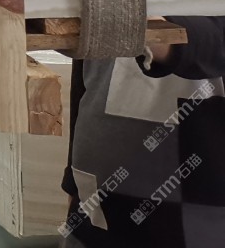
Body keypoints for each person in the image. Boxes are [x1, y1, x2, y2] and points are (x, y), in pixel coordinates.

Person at [61, 16, 225, 247]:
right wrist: (71, 183)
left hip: (201, 213)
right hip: (95, 208)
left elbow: (212, 41)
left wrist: (142, 25)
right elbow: (86, 80)